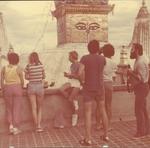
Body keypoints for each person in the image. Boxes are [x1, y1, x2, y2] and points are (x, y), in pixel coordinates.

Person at [79, 40, 109, 146]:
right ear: (97, 48)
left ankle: (88, 139)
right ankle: (106, 135)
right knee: (103, 110)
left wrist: (82, 81)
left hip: (88, 88)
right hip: (100, 88)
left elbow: (80, 72)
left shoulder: (84, 58)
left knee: (88, 113)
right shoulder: (102, 59)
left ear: (88, 48)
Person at [129, 43, 150, 139]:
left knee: (138, 110)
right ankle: (146, 130)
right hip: (143, 87)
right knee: (143, 109)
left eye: (132, 49)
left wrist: (130, 73)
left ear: (136, 50)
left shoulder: (140, 62)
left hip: (141, 87)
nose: (130, 51)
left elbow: (141, 78)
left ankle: (140, 132)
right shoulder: (140, 60)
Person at [1, 52, 24, 135]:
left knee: (9, 108)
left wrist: (3, 89)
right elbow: (22, 81)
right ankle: (15, 127)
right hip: (17, 88)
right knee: (16, 108)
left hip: (7, 88)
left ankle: (10, 126)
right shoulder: (18, 68)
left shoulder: (4, 68)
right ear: (17, 59)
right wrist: (21, 86)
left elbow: (1, 81)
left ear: (9, 59)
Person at [95, 44, 117, 130]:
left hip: (100, 84)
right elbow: (114, 75)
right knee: (108, 105)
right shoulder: (113, 62)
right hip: (109, 84)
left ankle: (98, 124)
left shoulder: (100, 59)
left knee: (99, 105)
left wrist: (100, 52)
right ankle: (108, 125)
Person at [61, 51, 84, 126]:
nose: (68, 58)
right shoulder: (71, 65)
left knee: (70, 100)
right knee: (61, 90)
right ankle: (74, 102)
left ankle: (75, 114)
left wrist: (70, 75)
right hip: (71, 82)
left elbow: (79, 76)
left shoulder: (80, 65)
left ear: (72, 57)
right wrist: (67, 75)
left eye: (69, 56)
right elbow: (72, 76)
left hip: (77, 84)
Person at [24, 52, 45, 132]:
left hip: (31, 87)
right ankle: (39, 126)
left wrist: (31, 77)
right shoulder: (41, 65)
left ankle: (36, 126)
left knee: (33, 107)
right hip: (39, 86)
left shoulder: (28, 66)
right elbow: (44, 76)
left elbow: (26, 77)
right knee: (40, 107)